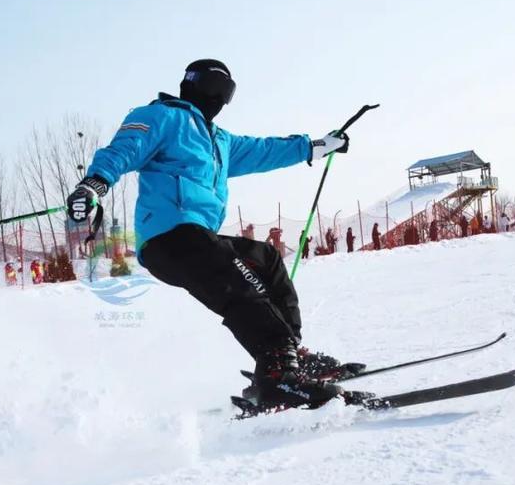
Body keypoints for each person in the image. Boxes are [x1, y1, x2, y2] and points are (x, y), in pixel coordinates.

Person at [65, 58, 349, 412]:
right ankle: (277, 374)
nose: (219, 98)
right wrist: (94, 184)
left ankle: (285, 355)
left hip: (199, 237)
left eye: (227, 92)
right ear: (191, 83)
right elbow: (125, 149)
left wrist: (318, 145)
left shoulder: (220, 142)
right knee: (237, 281)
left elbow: (266, 150)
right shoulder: (164, 116)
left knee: (267, 260)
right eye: (214, 86)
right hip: (169, 238)